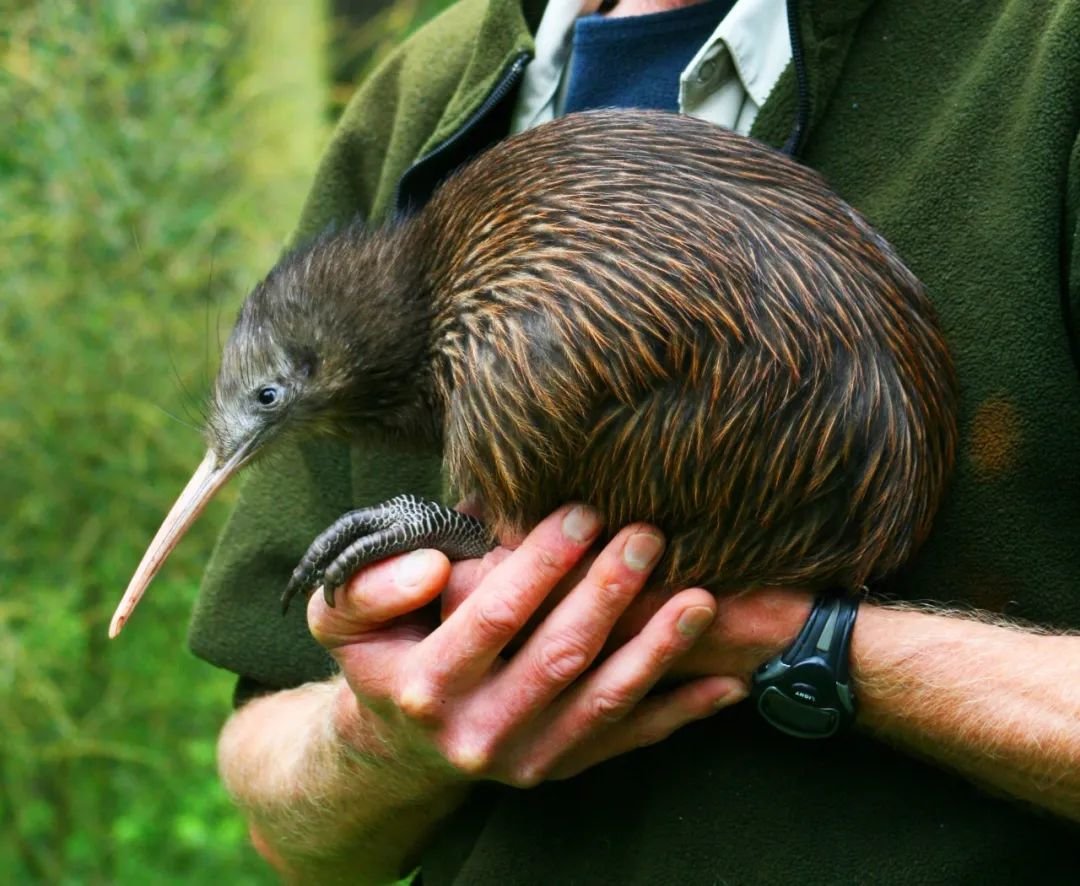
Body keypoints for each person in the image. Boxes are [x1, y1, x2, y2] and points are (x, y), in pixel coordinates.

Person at [191, 0, 1080, 882]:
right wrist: (384, 737)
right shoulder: (427, 90)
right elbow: (289, 823)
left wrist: (794, 641)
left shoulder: (1036, 44)